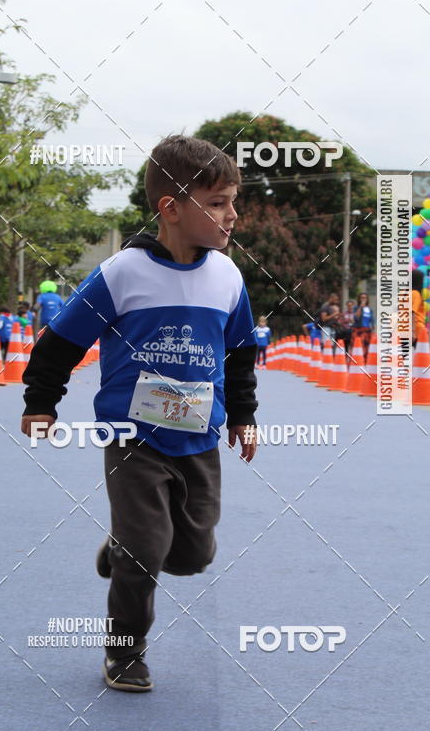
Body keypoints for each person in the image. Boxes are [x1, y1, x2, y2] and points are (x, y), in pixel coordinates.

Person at [21, 134, 259, 693]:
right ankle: (125, 653)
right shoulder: (121, 274)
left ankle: (124, 544)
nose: (232, 215)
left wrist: (243, 417)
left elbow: (242, 353)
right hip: (134, 439)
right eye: (218, 202)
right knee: (146, 552)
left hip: (198, 439)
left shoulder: (227, 277)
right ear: (170, 209)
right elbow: (60, 342)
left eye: (233, 201)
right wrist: (40, 402)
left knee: (194, 554)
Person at [353, 292, 374, 359]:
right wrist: (360, 307)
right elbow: (356, 318)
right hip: (358, 329)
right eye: (362, 298)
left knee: (367, 346)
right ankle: (357, 359)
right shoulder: (356, 308)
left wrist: (373, 327)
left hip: (367, 330)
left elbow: (372, 319)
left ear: (367, 299)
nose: (363, 299)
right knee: (359, 346)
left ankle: (365, 361)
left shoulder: (369, 309)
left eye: (365, 298)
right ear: (359, 299)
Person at [411, 270, 426, 349]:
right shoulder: (416, 294)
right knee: (421, 357)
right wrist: (413, 332)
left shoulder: (404, 293)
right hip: (417, 329)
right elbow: (412, 312)